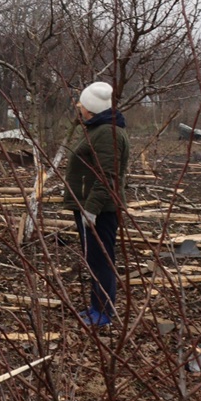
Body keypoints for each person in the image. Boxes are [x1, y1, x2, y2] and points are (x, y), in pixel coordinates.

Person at [63, 81, 130, 327]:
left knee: (101, 260)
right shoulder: (99, 129)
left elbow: (107, 177)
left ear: (89, 108)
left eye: (81, 104)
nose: (78, 108)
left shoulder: (106, 133)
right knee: (94, 259)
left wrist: (90, 209)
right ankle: (96, 306)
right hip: (92, 205)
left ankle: (103, 312)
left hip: (100, 209)